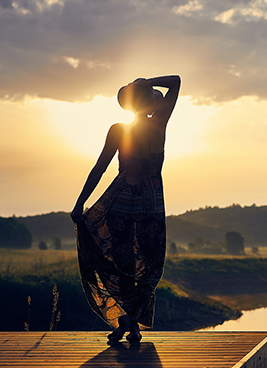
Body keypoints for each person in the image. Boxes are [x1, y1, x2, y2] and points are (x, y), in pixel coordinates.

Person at [71, 75, 181, 342]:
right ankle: (129, 323)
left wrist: (80, 202)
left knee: (127, 267)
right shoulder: (158, 125)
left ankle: (127, 322)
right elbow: (175, 82)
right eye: (152, 94)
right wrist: (144, 80)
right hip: (147, 207)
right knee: (146, 269)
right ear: (144, 101)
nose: (157, 97)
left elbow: (100, 168)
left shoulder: (123, 129)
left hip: (123, 204)